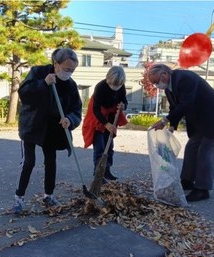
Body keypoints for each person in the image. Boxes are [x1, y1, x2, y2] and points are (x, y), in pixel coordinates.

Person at [12, 48, 82, 214]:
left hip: (53, 129)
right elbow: (24, 93)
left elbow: (76, 110)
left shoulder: (70, 85)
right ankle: (19, 198)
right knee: (28, 162)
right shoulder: (38, 72)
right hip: (32, 125)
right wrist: (43, 83)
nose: (69, 73)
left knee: (51, 162)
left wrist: (69, 119)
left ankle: (48, 195)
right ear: (55, 64)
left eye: (72, 70)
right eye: (66, 69)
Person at [149, 63, 214, 202]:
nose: (155, 85)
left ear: (164, 74)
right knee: (191, 148)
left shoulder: (185, 78)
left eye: (155, 81)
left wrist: (165, 121)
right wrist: (172, 125)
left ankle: (202, 189)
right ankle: (187, 181)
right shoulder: (168, 89)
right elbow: (174, 108)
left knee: (206, 152)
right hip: (199, 121)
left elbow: (186, 103)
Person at [82, 66, 128, 182]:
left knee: (110, 147)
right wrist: (106, 124)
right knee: (100, 148)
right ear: (108, 79)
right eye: (112, 85)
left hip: (111, 117)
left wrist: (123, 105)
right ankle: (98, 173)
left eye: (117, 85)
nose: (114, 88)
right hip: (99, 117)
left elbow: (124, 101)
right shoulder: (101, 87)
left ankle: (107, 171)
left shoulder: (121, 87)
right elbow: (95, 109)